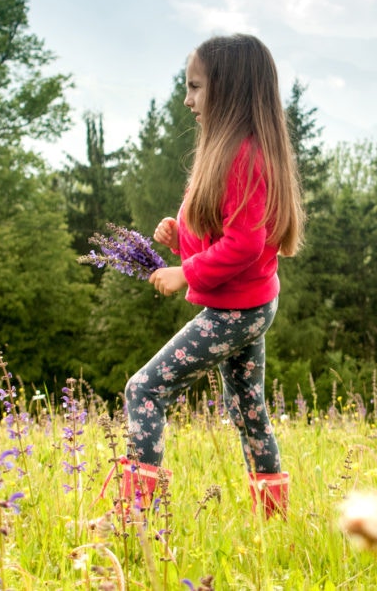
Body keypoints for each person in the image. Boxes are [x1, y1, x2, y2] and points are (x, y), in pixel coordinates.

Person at [117, 33, 304, 520]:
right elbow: (233, 231)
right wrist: (182, 236)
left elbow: (245, 244)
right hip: (249, 304)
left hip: (235, 311)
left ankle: (134, 516)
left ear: (229, 89)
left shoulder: (243, 155)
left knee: (144, 390)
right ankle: (275, 518)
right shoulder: (235, 150)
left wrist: (185, 272)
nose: (187, 100)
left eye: (196, 87)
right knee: (248, 410)